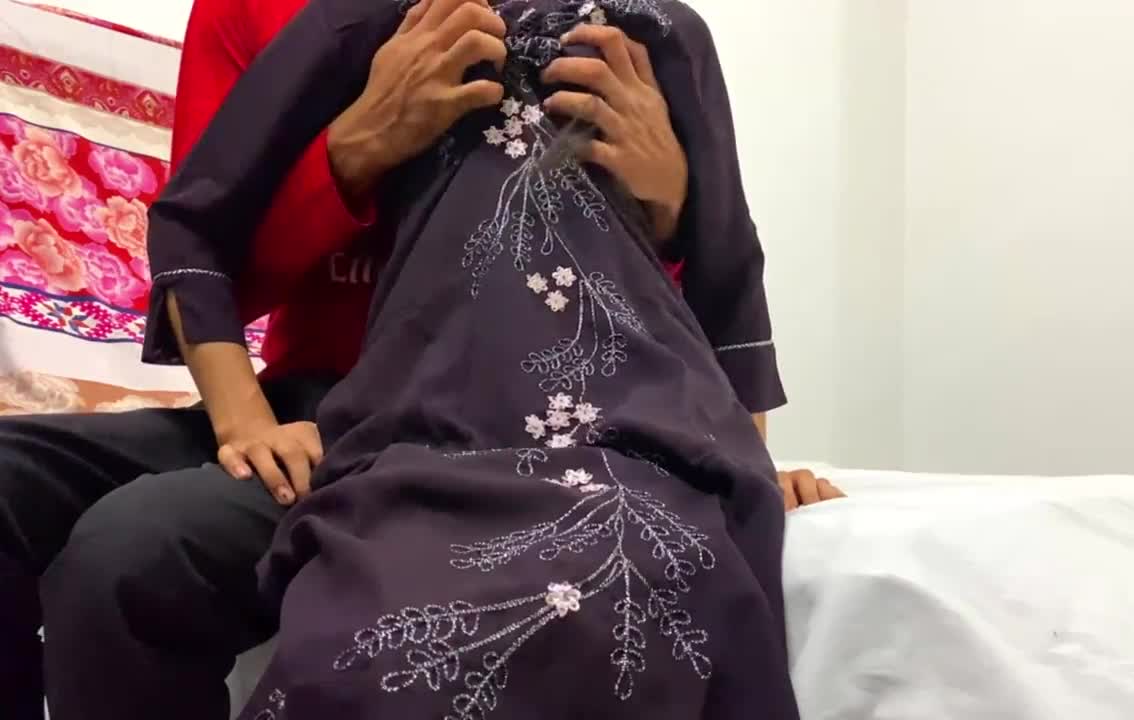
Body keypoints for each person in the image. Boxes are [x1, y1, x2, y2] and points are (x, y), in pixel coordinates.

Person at [0, 0, 834, 718]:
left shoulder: (655, 30)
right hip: (324, 409)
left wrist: (732, 446)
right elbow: (199, 231)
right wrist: (354, 149)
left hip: (518, 408)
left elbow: (710, 272)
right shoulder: (329, 19)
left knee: (129, 552)